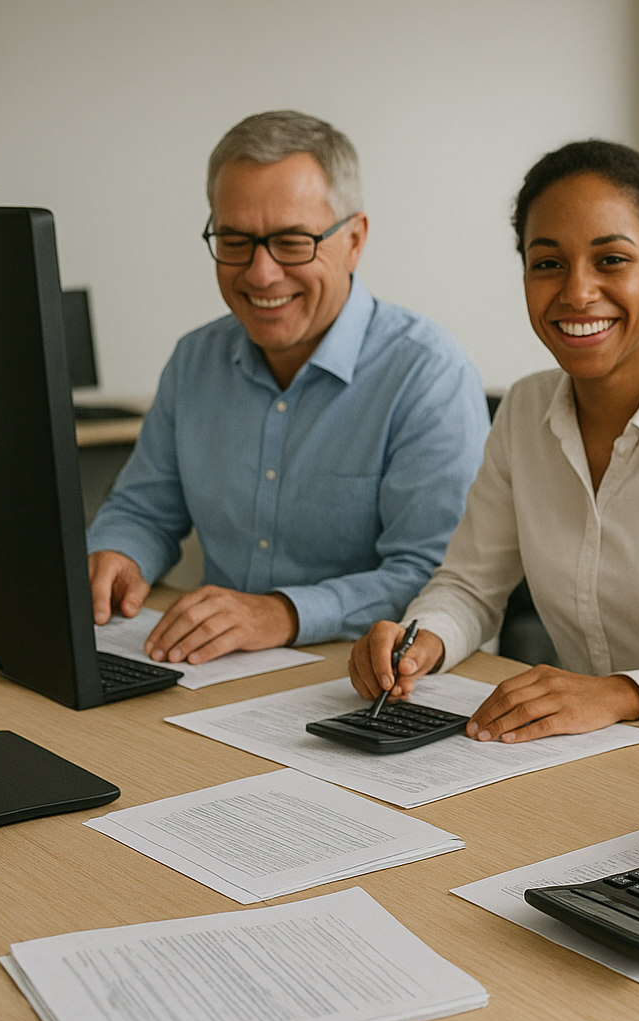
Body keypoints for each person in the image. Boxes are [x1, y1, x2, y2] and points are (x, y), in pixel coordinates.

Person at [347, 139, 639, 742]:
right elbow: (470, 585)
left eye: (611, 260)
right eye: (548, 263)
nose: (576, 292)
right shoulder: (524, 410)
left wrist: (621, 693)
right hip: (586, 747)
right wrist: (419, 642)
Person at [86, 110, 488, 662]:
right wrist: (117, 553)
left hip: (368, 683)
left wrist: (282, 612)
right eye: (235, 240)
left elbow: (434, 578)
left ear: (354, 240)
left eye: (292, 242)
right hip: (216, 671)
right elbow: (143, 510)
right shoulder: (194, 360)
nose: (261, 273)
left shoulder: (427, 373)